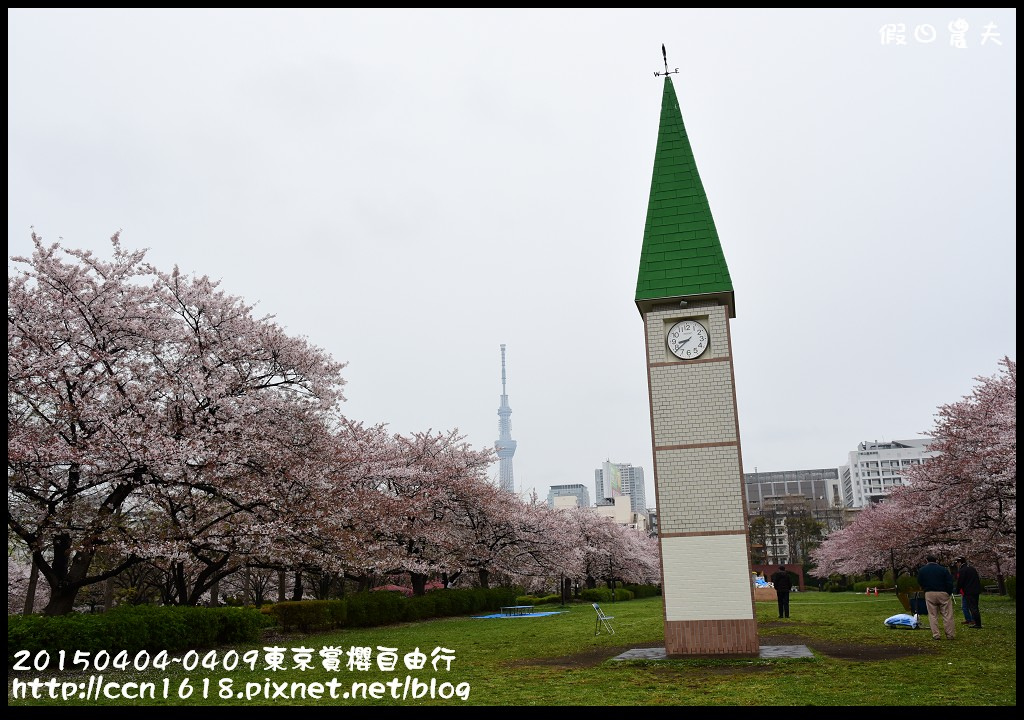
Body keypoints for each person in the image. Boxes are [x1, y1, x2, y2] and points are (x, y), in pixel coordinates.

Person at [917, 555, 956, 640]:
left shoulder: (922, 570)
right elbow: (949, 582)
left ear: (926, 560)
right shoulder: (943, 570)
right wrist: (948, 592)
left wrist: (925, 589)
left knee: (932, 615)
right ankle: (950, 634)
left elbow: (920, 581)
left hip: (929, 593)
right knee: (947, 614)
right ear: (936, 561)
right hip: (943, 592)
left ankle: (936, 634)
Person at [955, 557, 982, 629]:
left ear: (960, 562)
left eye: (957, 563)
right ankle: (976, 622)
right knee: (975, 606)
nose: (956, 564)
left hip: (969, 591)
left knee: (972, 607)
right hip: (975, 590)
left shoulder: (962, 570)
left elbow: (960, 581)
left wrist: (957, 590)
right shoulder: (972, 568)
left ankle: (977, 624)